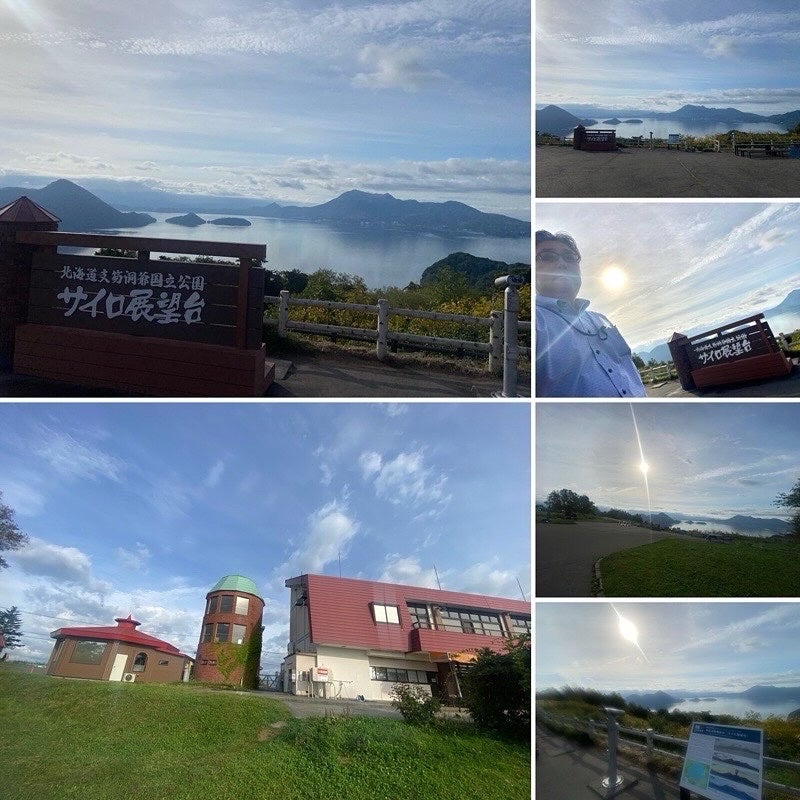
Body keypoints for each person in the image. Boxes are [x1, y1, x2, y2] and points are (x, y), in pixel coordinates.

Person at [536, 229, 646, 397]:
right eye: (548, 256)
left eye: (570, 257)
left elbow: (628, 367)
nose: (562, 264)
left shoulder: (602, 320)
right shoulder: (537, 323)